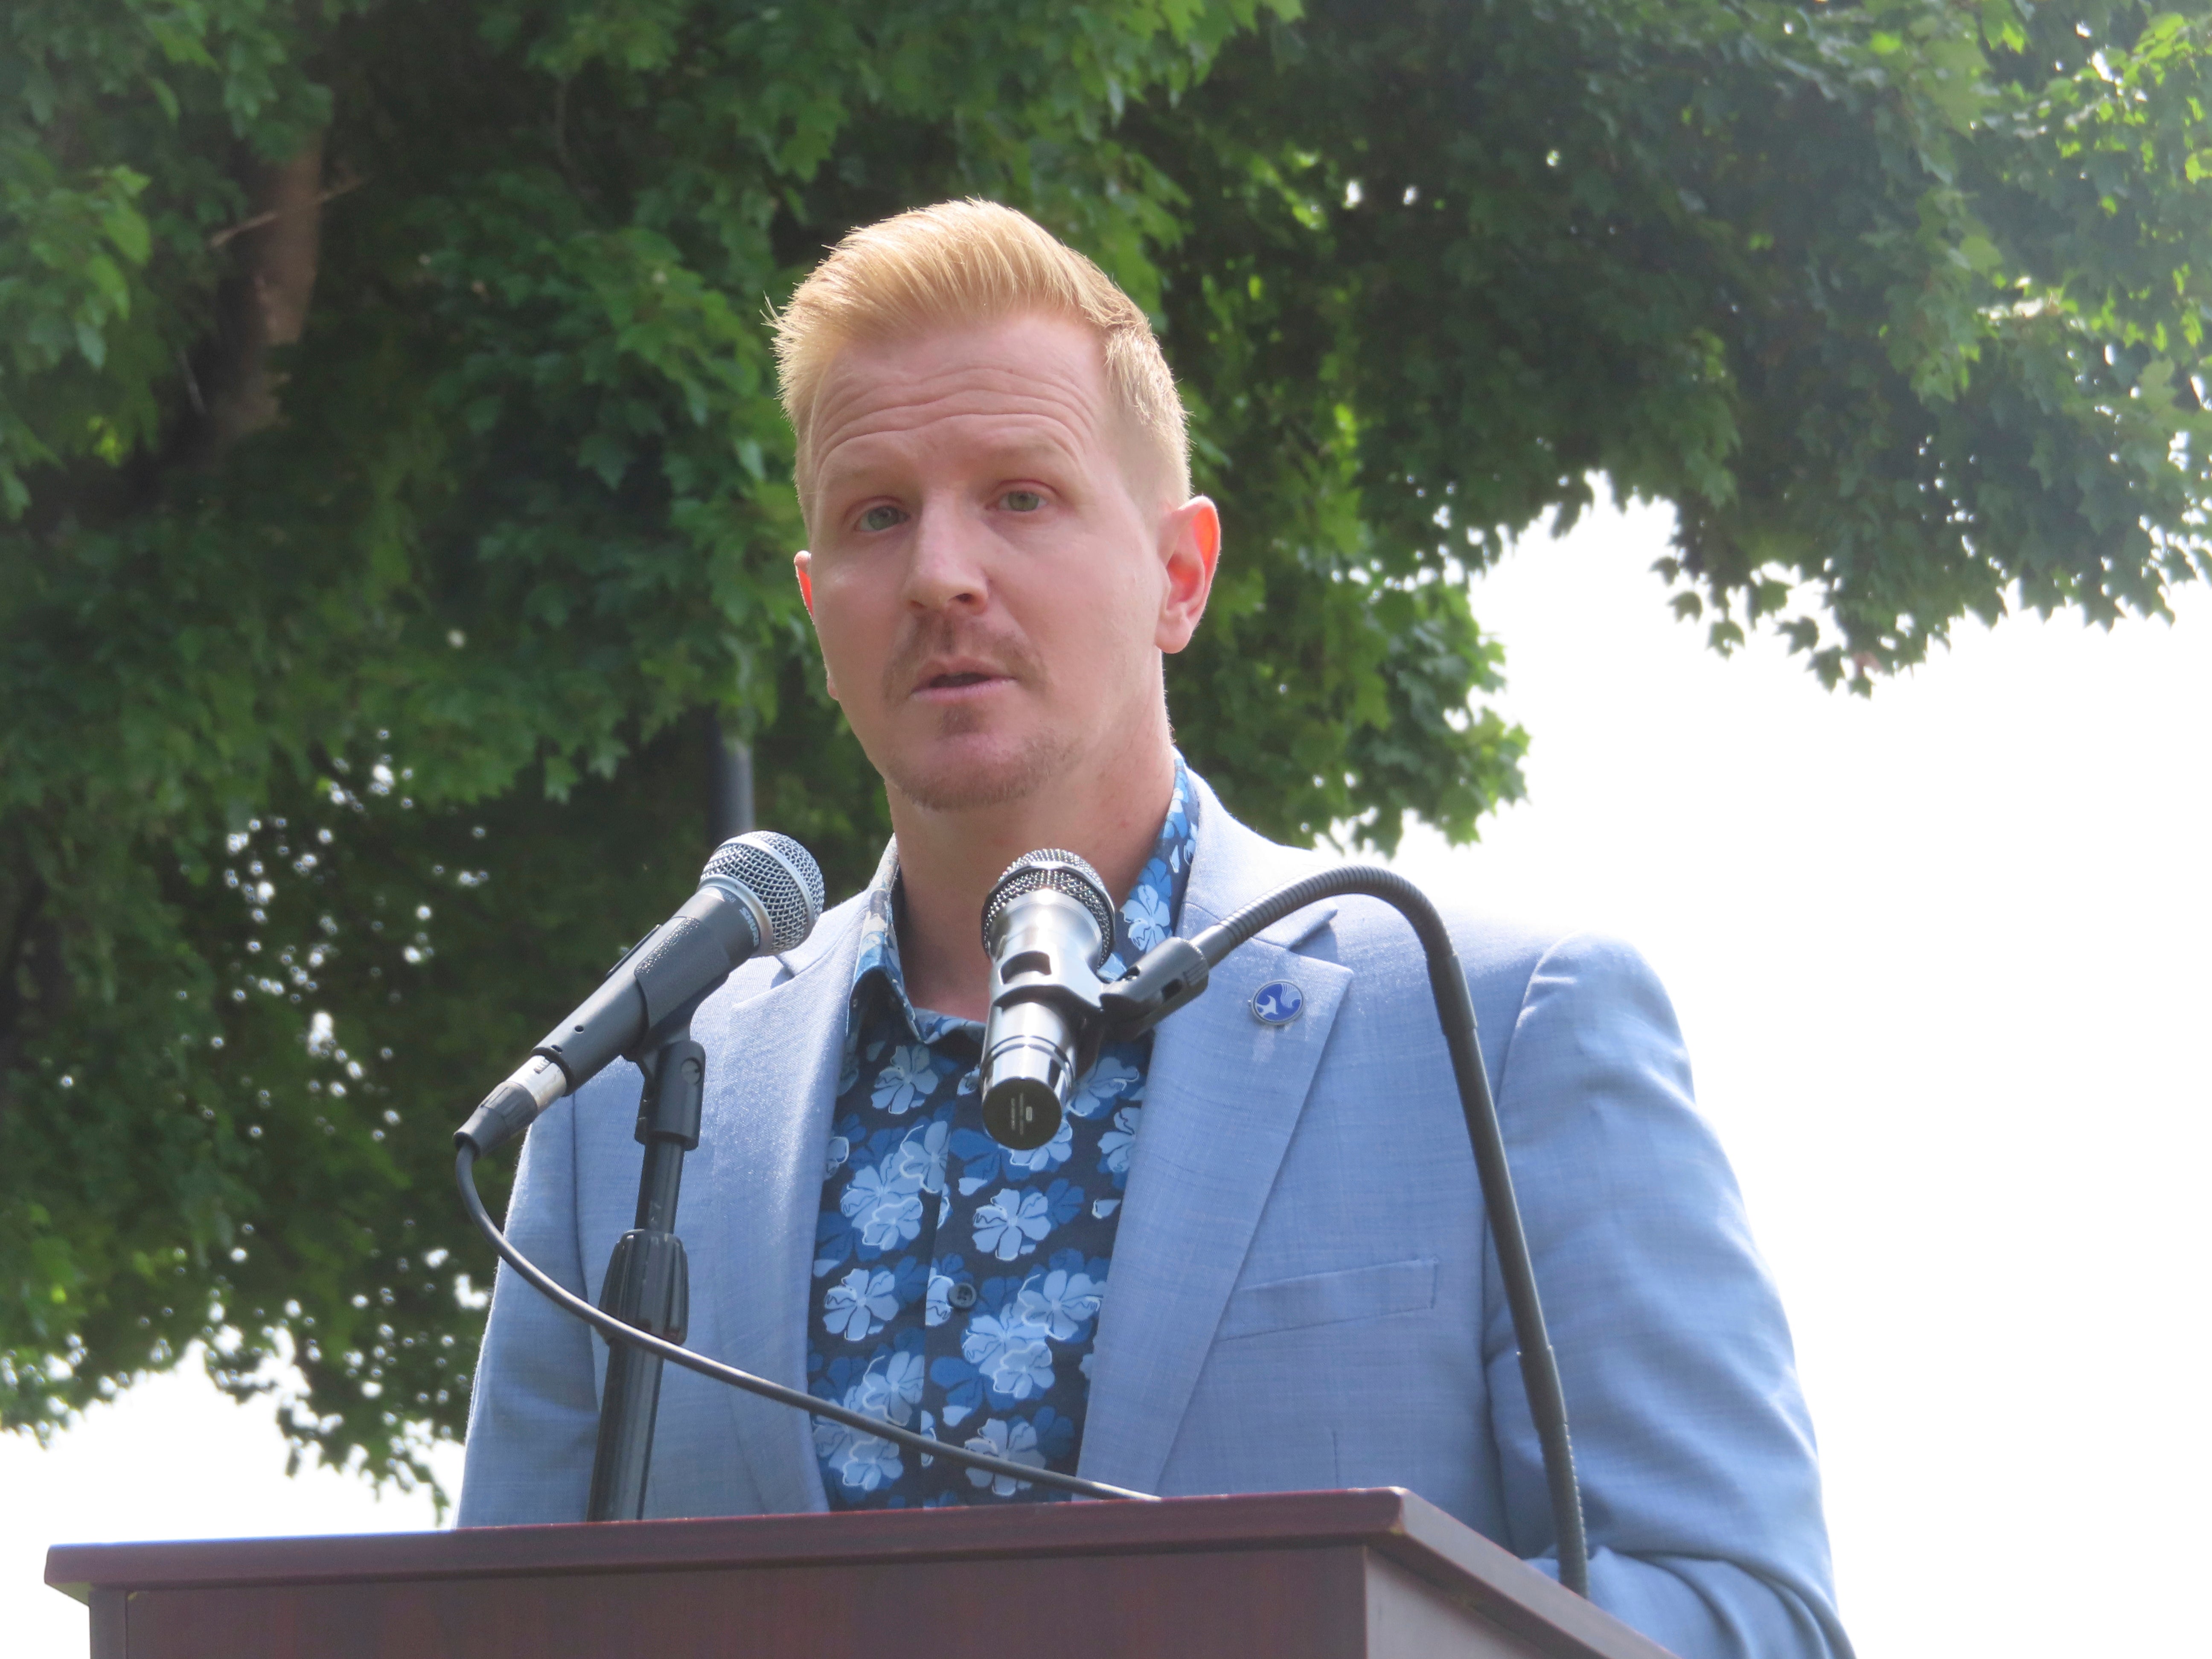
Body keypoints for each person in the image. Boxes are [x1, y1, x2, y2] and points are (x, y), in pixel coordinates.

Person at [457, 200, 1853, 1659]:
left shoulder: (1500, 1027)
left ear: (1180, 576)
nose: (941, 571)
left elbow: (1742, 1616)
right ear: (820, 608)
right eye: (877, 514)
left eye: (1021, 496)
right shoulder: (619, 1124)